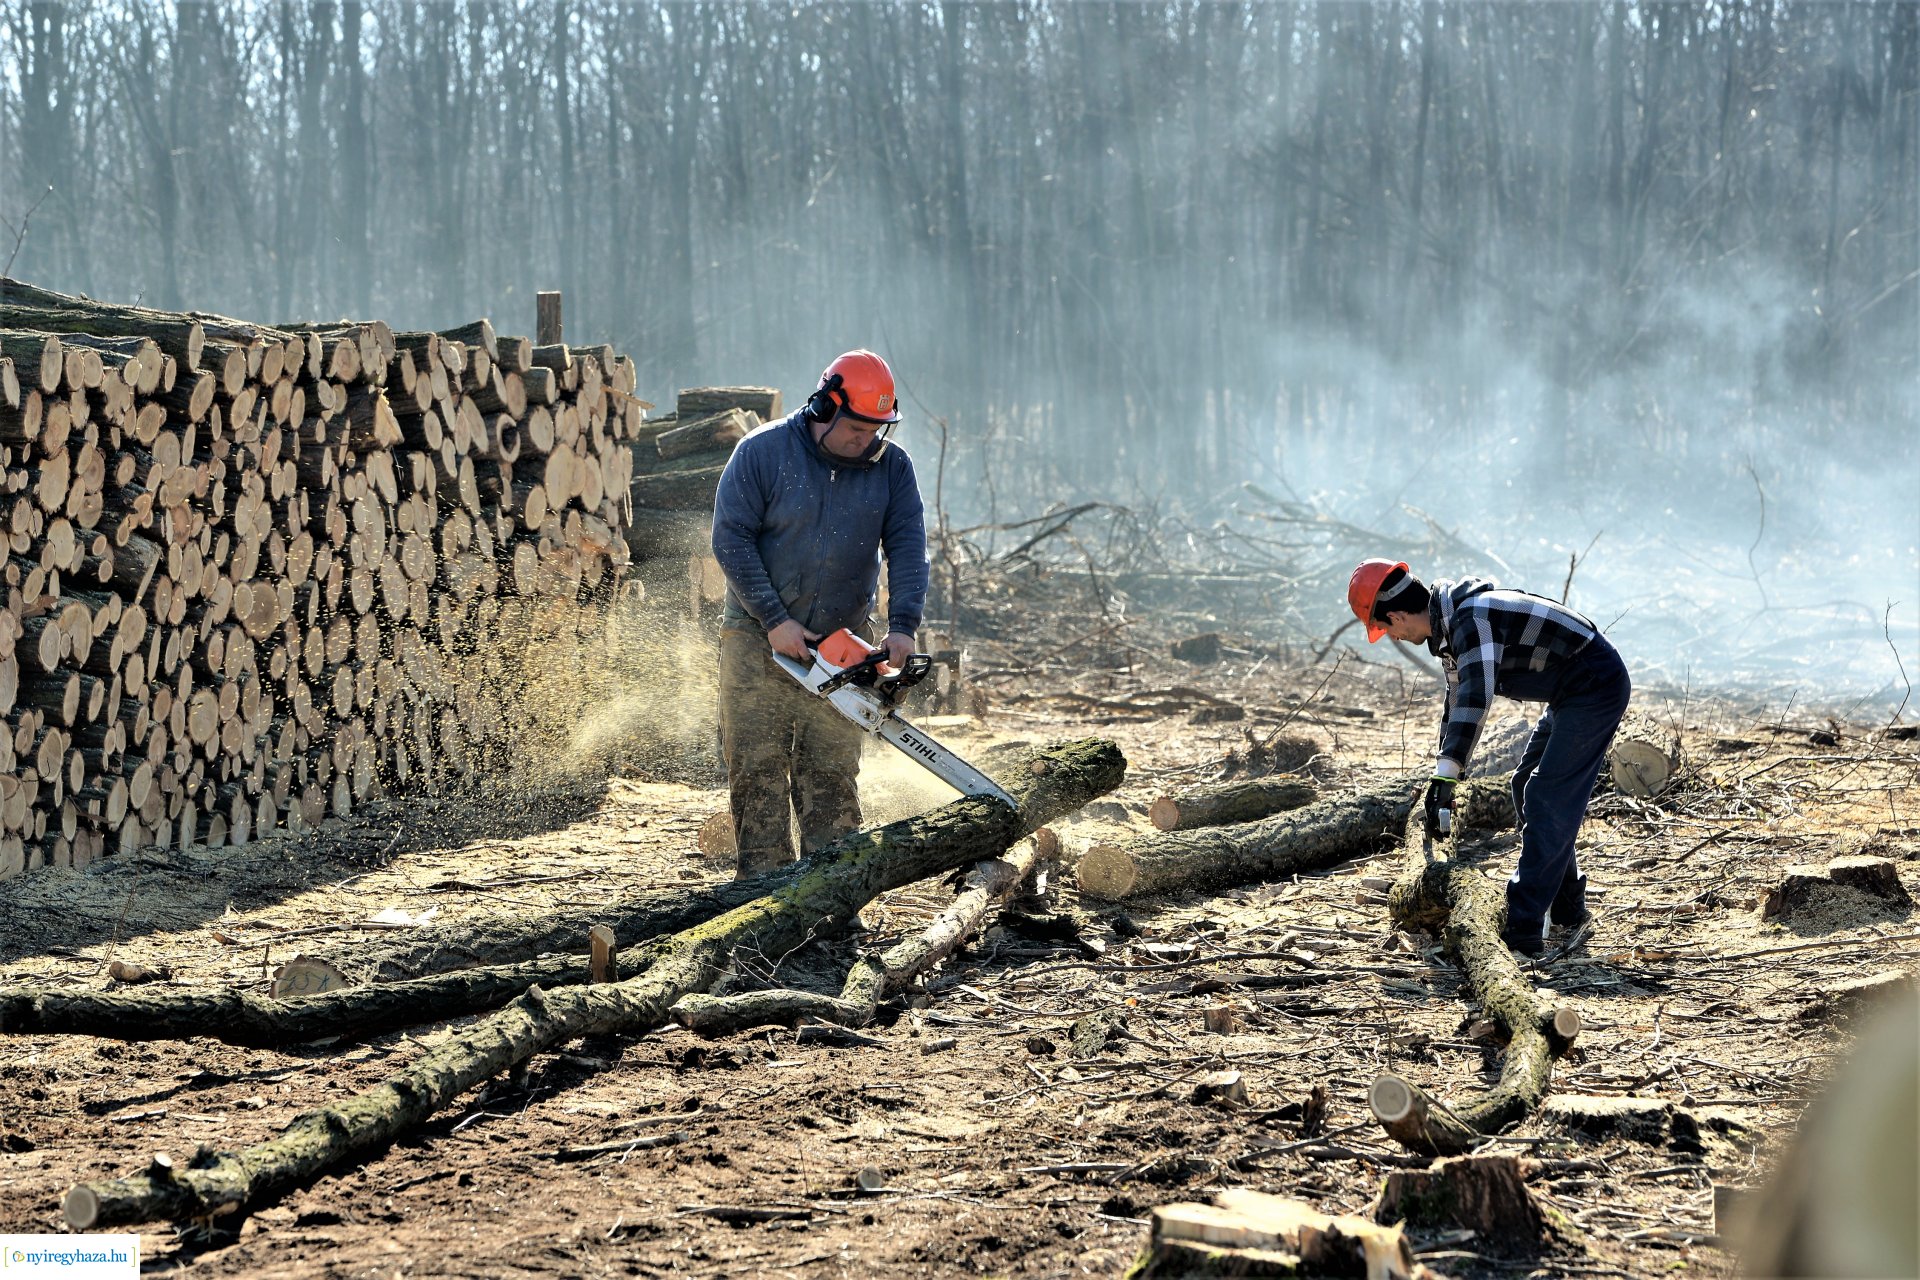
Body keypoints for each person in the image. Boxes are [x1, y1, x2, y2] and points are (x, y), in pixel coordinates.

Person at [710, 350, 928, 880]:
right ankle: (761, 890)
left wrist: (902, 627)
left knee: (830, 770)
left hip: (844, 641)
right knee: (757, 767)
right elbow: (730, 538)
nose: (866, 440)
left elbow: (907, 545)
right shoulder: (763, 452)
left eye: (877, 429)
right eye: (856, 427)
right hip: (756, 638)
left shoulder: (892, 468)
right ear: (825, 407)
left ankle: (831, 889)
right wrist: (773, 618)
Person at [1346, 560, 1632, 955]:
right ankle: (1568, 907)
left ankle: (1523, 926)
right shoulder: (1451, 629)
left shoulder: (1470, 618)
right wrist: (1442, 778)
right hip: (1569, 690)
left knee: (1548, 798)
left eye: (1388, 629)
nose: (1394, 637)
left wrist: (1449, 774)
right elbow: (1456, 699)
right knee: (1523, 783)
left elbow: (1476, 698)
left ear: (1395, 615)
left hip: (1594, 685)